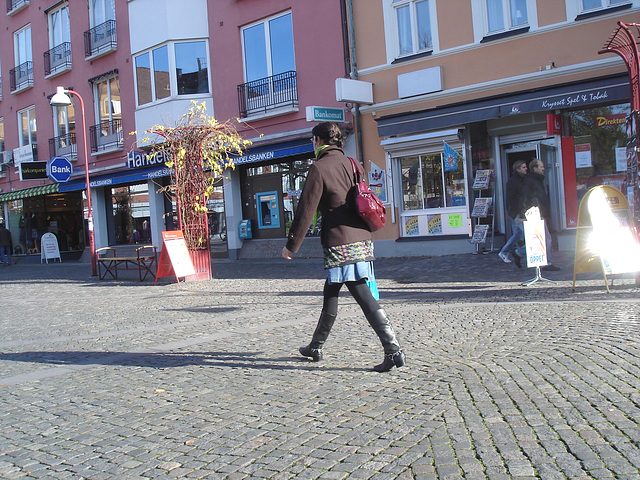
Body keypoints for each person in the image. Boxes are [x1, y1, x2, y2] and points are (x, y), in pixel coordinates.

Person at [282, 122, 405, 372]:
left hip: (340, 241)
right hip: (361, 236)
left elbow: (306, 209)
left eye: (312, 140)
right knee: (332, 290)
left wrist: (291, 245)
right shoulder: (352, 163)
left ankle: (393, 350)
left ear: (318, 140)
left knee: (360, 291)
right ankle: (315, 346)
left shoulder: (319, 168)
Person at [518, 158, 559, 271]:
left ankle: (543, 262)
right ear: (535, 168)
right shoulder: (531, 181)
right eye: (541, 167)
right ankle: (546, 263)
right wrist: (523, 215)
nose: (543, 168)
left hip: (540, 212)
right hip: (536, 214)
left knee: (544, 238)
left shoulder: (536, 180)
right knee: (545, 238)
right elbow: (525, 198)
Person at [498, 160, 528, 268]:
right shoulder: (513, 182)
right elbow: (514, 199)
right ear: (517, 169)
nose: (526, 168)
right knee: (529, 237)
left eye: (526, 167)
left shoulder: (523, 180)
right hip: (518, 213)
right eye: (523, 167)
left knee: (517, 234)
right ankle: (518, 252)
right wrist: (519, 214)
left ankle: (504, 252)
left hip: (517, 212)